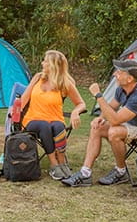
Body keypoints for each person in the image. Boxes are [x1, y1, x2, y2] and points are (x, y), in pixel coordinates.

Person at [62, 58, 137, 187]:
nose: (115, 74)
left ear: (130, 79)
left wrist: (98, 95)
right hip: (133, 125)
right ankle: (85, 173)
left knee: (114, 132)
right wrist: (102, 118)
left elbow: (115, 120)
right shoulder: (121, 89)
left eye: (119, 72)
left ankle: (121, 172)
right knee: (97, 127)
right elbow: (112, 107)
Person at [18, 50, 87, 180]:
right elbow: (22, 102)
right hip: (32, 121)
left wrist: (75, 112)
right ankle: (54, 165)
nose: (42, 63)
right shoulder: (38, 78)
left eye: (45, 61)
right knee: (44, 126)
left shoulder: (64, 84)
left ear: (53, 65)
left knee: (58, 126)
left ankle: (62, 161)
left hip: (54, 119)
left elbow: (81, 103)